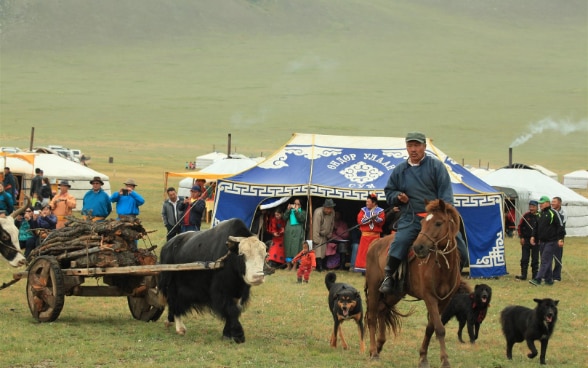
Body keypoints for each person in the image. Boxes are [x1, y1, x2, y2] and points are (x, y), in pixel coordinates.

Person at [379, 131, 468, 294]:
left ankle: (455, 279)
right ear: (406, 148)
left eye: (417, 145)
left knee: (460, 246)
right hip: (411, 217)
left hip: (434, 219)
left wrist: (441, 213)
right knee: (400, 242)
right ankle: (389, 277)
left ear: (424, 147)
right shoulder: (400, 170)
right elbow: (389, 191)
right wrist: (398, 197)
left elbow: (446, 195)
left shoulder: (436, 167)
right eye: (410, 145)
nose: (413, 149)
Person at [529, 196, 566, 286]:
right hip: (542, 242)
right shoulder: (539, 214)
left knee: (545, 260)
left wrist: (560, 239)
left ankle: (538, 279)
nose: (540, 205)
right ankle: (549, 280)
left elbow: (560, 226)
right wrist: (533, 236)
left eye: (542, 203)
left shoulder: (553, 213)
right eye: (540, 203)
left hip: (552, 241)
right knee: (546, 260)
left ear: (547, 203)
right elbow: (536, 227)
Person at [354, 193, 385, 273]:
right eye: (366, 202)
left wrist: (376, 218)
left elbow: (382, 221)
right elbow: (360, 220)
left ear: (374, 203)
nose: (366, 203)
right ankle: (363, 269)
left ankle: (374, 269)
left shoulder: (380, 211)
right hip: (365, 236)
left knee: (375, 253)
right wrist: (369, 218)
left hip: (375, 237)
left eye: (368, 202)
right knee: (363, 253)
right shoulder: (363, 210)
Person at [515, 200, 539, 280]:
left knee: (535, 259)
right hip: (526, 239)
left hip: (536, 240)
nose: (531, 208)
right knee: (524, 258)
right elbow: (520, 226)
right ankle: (523, 275)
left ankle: (535, 276)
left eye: (533, 206)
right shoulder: (526, 215)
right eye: (530, 206)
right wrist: (521, 237)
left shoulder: (540, 216)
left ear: (537, 207)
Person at [311, 198, 336, 272]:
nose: (329, 210)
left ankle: (323, 265)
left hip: (326, 234)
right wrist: (316, 239)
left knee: (323, 251)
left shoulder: (332, 212)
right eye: (327, 208)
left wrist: (330, 233)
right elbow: (315, 227)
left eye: (330, 208)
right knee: (318, 250)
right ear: (324, 207)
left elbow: (332, 224)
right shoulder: (318, 212)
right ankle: (319, 267)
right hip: (318, 233)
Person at [284, 198, 306, 267]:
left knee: (296, 248)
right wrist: (288, 210)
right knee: (288, 248)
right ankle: (288, 266)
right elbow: (284, 217)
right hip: (289, 232)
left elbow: (301, 219)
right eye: (295, 203)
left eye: (298, 204)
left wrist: (296, 211)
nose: (296, 205)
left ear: (301, 205)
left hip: (298, 232)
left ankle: (294, 266)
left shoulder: (303, 212)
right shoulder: (290, 211)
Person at [550, 196, 566, 282]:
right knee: (547, 257)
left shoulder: (563, 213)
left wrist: (561, 239)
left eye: (554, 202)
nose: (552, 203)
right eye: (552, 201)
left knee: (557, 257)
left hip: (558, 238)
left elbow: (562, 226)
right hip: (549, 237)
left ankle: (556, 276)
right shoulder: (550, 211)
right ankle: (548, 275)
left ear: (559, 203)